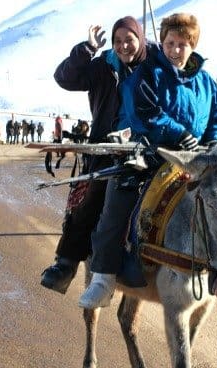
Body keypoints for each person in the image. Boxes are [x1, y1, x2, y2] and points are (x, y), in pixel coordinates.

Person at [79, 12, 217, 309]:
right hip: (154, 153)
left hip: (196, 157)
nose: (175, 50)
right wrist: (179, 134)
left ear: (192, 45)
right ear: (162, 42)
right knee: (119, 194)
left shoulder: (206, 82)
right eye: (170, 43)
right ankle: (105, 276)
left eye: (182, 44)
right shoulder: (148, 73)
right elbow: (144, 111)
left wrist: (212, 141)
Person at [41, 16, 151, 294]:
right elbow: (64, 78)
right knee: (92, 199)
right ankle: (66, 264)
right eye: (118, 41)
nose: (124, 46)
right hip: (106, 147)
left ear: (140, 39)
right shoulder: (103, 66)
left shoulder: (153, 66)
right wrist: (87, 49)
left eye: (129, 40)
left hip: (147, 145)